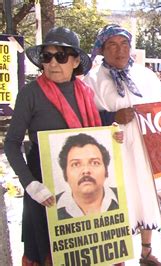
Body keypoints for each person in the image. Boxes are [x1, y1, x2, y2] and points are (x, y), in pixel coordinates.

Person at [4, 27, 100, 265]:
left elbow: (96, 137)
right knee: (47, 252)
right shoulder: (30, 94)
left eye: (61, 56)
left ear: (75, 60)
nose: (53, 63)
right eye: (47, 56)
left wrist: (112, 138)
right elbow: (12, 144)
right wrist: (30, 184)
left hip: (82, 188)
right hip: (43, 187)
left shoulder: (86, 92)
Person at [84, 24, 161, 265]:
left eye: (124, 45)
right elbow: (85, 118)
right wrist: (112, 118)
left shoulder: (146, 75)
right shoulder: (93, 79)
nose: (120, 51)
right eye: (112, 45)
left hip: (144, 148)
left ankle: (147, 250)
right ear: (102, 49)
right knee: (117, 197)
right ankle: (115, 256)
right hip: (112, 149)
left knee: (145, 193)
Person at [56, 133, 118, 219]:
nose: (86, 171)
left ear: (106, 170)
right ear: (65, 173)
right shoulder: (51, 205)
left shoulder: (124, 196)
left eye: (95, 163)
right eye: (76, 164)